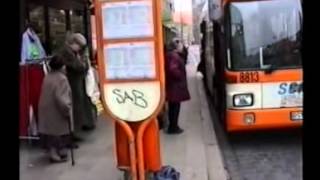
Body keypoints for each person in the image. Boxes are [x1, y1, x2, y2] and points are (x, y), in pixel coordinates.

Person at [57, 33, 95, 142]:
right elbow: (78, 66)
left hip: (74, 83)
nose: (79, 48)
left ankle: (75, 131)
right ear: (74, 43)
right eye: (79, 46)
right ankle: (72, 132)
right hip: (72, 83)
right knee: (74, 107)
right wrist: (83, 63)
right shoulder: (67, 53)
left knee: (77, 106)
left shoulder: (71, 52)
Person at [38, 55, 73, 163]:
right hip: (56, 110)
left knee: (51, 132)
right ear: (62, 67)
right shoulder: (61, 79)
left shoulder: (48, 76)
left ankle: (57, 151)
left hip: (46, 108)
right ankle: (56, 153)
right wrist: (67, 109)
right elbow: (61, 97)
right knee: (58, 132)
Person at [165, 39, 191, 134]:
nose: (181, 47)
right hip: (175, 86)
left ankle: (173, 126)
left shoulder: (171, 55)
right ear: (176, 47)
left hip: (173, 86)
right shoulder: (174, 56)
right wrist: (179, 76)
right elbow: (173, 69)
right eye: (180, 45)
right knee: (175, 107)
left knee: (173, 107)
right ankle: (173, 127)